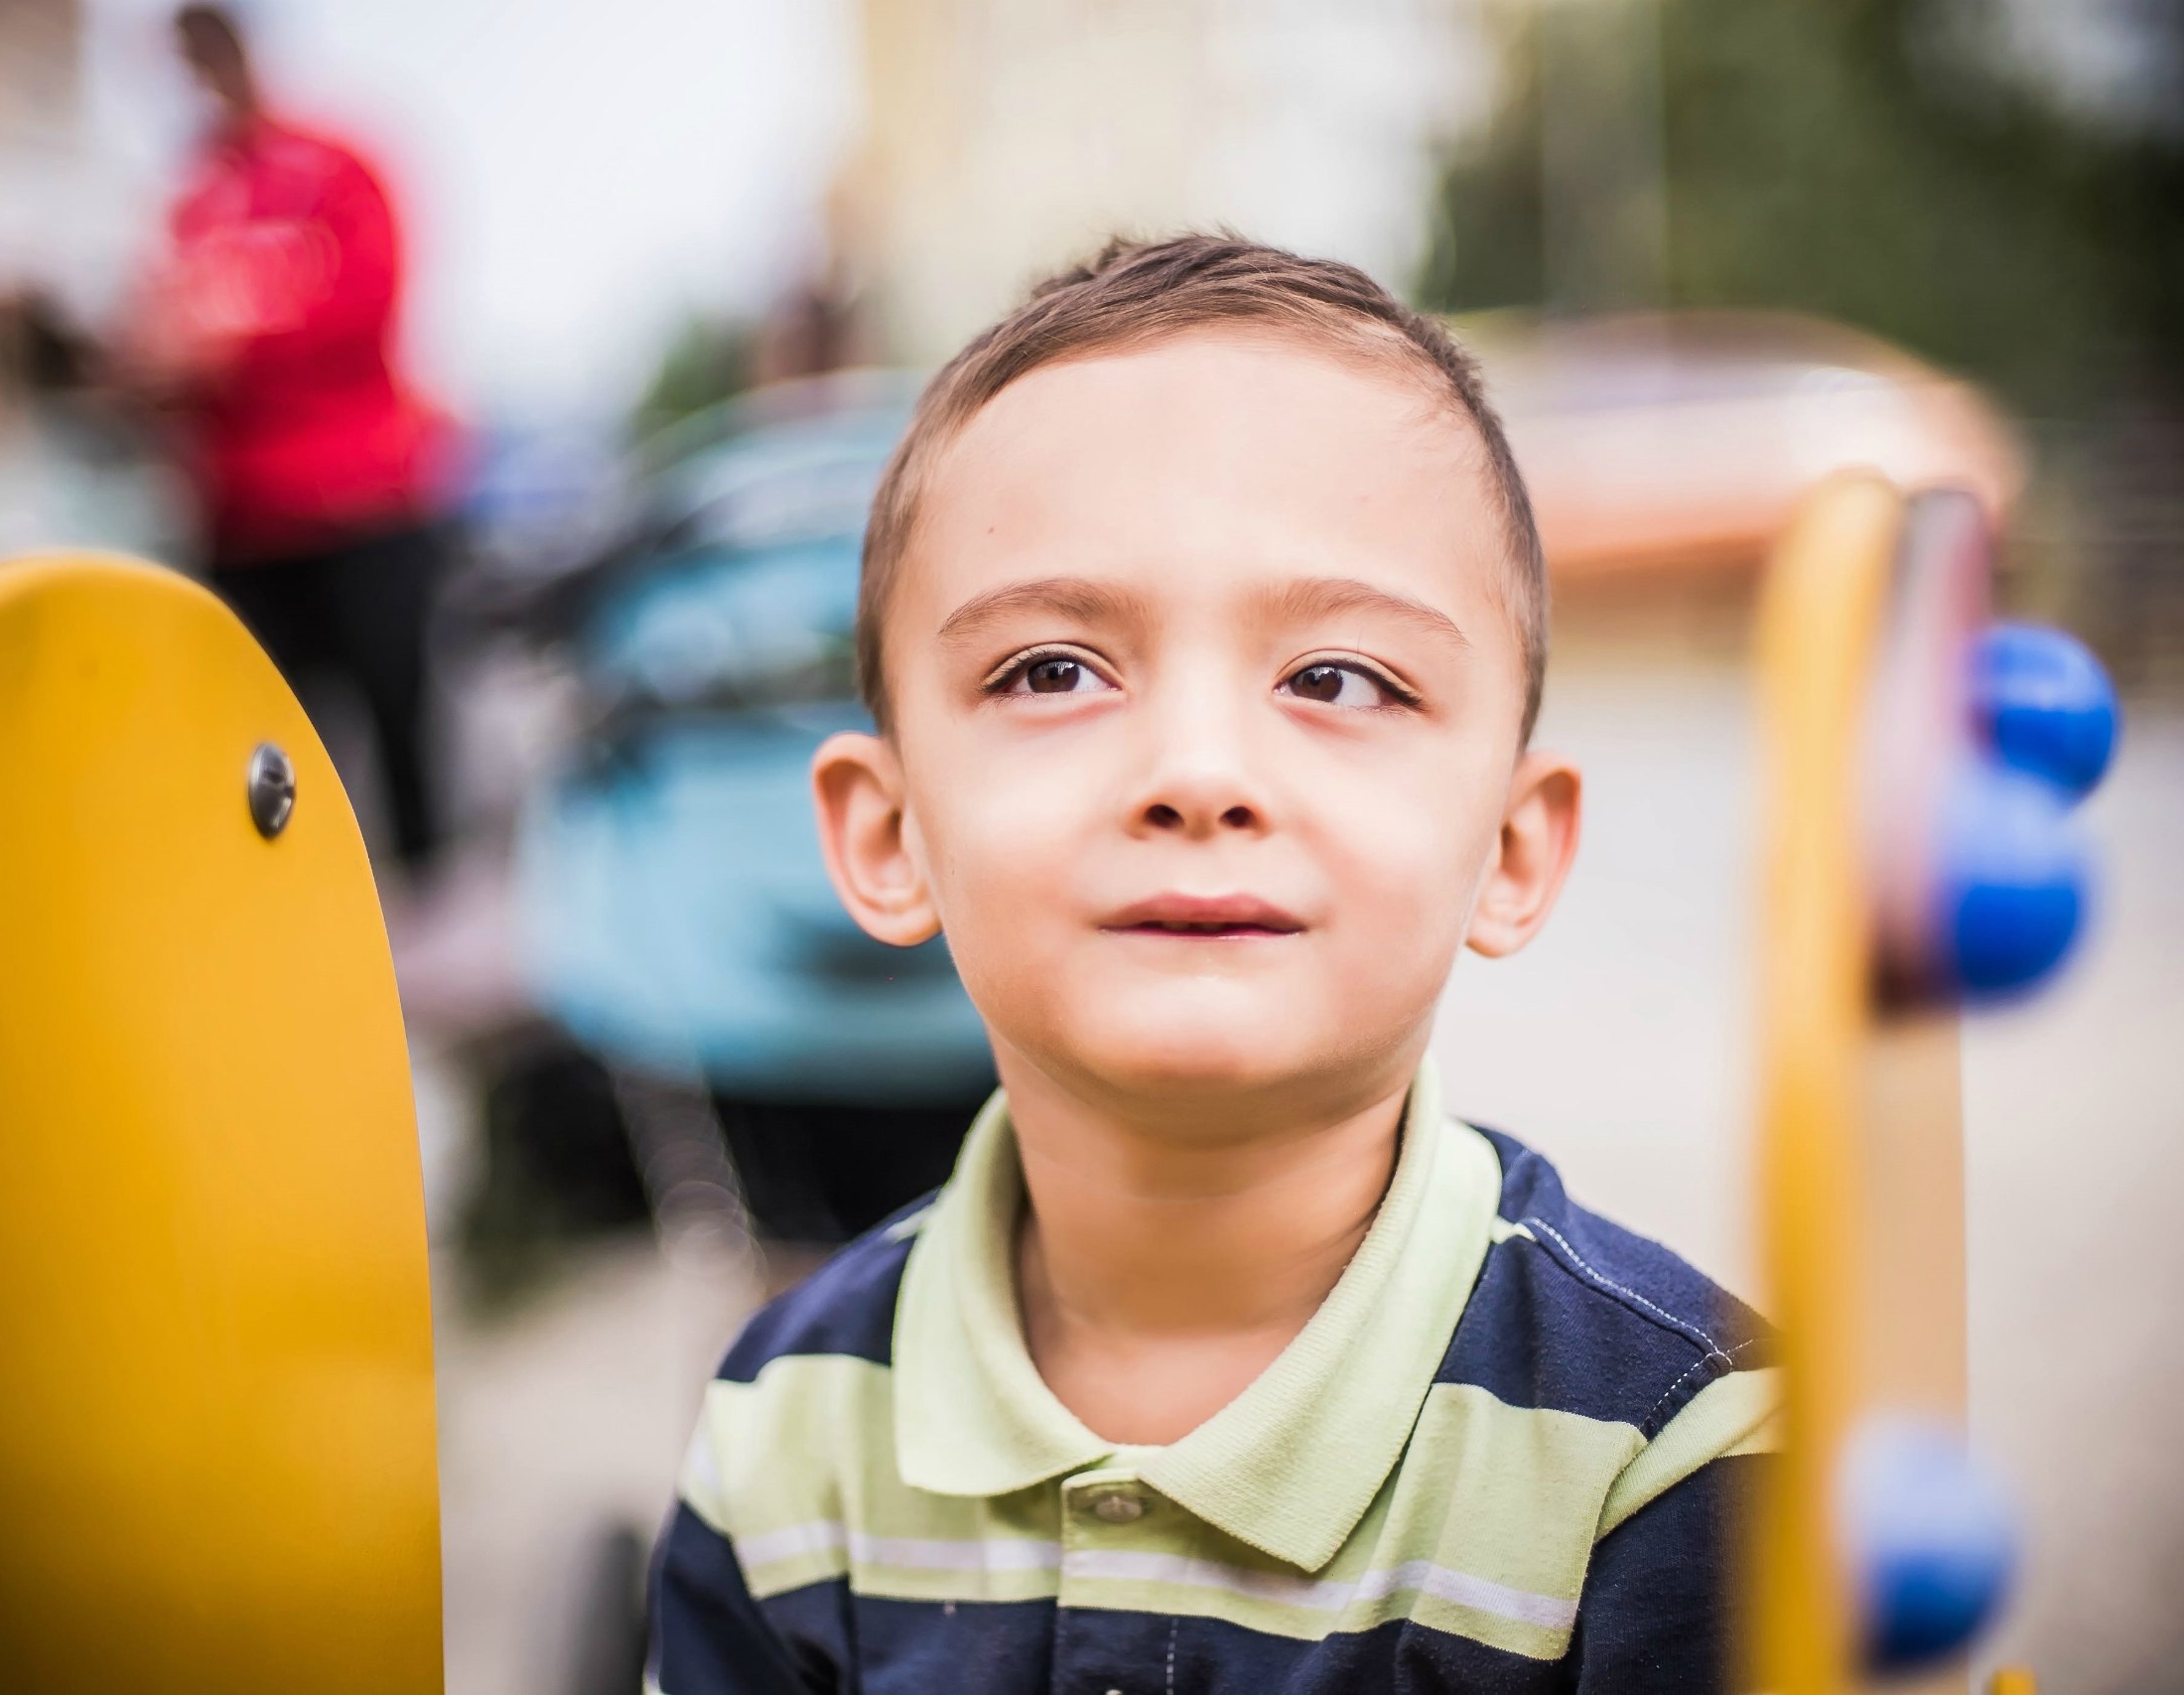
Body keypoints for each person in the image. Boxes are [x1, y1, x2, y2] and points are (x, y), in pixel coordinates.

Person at [650, 237, 1777, 1691]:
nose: (1195, 772)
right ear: (887, 833)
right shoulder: (786, 1426)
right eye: (1051, 669)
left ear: (1508, 845)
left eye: (1334, 678)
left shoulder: (1669, 1455)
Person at [122, 3, 455, 875]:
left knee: (397, 717)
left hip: (363, 501)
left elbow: (370, 303)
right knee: (259, 747)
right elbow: (160, 338)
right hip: (243, 520)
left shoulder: (337, 163)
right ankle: (298, 910)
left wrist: (235, 344)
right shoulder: (190, 200)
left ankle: (426, 919)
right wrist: (154, 364)